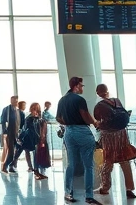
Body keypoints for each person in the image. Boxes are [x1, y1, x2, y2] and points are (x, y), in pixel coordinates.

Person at [57, 76, 101, 205]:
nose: (82, 88)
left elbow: (58, 118)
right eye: (81, 86)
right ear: (76, 86)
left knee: (71, 164)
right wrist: (95, 123)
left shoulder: (62, 100)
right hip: (82, 132)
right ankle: (88, 196)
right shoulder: (79, 99)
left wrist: (69, 124)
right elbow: (85, 116)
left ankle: (68, 193)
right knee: (88, 165)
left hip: (68, 133)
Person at [93, 84, 136, 199]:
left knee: (108, 160)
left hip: (108, 135)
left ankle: (105, 187)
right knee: (125, 160)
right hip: (122, 134)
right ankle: (129, 188)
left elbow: (99, 120)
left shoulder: (99, 105)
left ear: (97, 93)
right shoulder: (117, 101)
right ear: (107, 91)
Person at [0, 95, 21, 173]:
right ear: (11, 101)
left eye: (16, 101)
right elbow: (2, 121)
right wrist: (5, 132)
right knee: (11, 152)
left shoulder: (17, 110)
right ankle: (5, 166)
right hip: (9, 134)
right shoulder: (6, 109)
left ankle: (10, 167)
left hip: (16, 134)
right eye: (14, 101)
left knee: (16, 151)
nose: (15, 102)